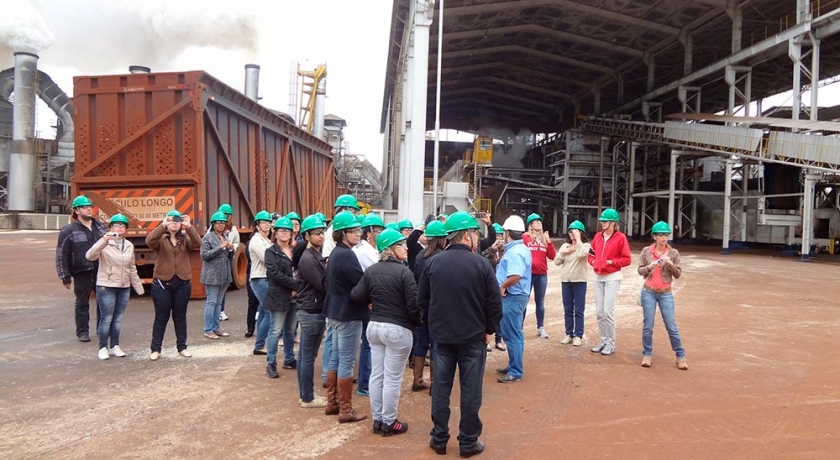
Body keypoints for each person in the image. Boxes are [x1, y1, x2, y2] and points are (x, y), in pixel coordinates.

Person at [419, 211, 503, 458]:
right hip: (473, 339)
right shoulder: (482, 264)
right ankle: (467, 442)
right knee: (470, 392)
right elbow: (494, 304)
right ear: (467, 235)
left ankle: (439, 438)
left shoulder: (432, 263)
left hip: (442, 339)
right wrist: (488, 330)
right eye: (475, 233)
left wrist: (434, 325)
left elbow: (422, 301)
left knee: (441, 390)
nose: (476, 237)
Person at [351, 228, 421, 436]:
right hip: (397, 329)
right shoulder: (404, 272)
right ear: (390, 249)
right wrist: (416, 323)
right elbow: (413, 306)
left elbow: (356, 296)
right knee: (391, 379)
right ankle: (389, 422)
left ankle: (378, 420)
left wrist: (373, 301)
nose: (406, 247)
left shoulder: (371, 271)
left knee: (377, 375)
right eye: (401, 244)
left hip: (375, 328)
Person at [323, 211, 367, 423]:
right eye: (353, 231)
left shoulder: (336, 254)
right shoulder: (347, 255)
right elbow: (361, 283)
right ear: (342, 233)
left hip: (336, 313)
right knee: (346, 362)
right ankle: (346, 410)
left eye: (358, 230)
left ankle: (332, 403)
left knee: (336, 358)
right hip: (348, 314)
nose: (358, 234)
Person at [85, 214, 144, 359]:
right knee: (106, 318)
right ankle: (102, 347)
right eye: (117, 225)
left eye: (123, 226)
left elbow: (131, 267)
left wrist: (138, 287)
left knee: (117, 318)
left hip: (123, 287)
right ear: (110, 228)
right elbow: (90, 256)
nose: (120, 228)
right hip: (106, 286)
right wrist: (103, 241)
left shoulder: (129, 245)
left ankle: (115, 346)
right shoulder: (105, 243)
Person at [146, 210, 201, 360]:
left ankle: (182, 347)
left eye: (177, 220)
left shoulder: (185, 239)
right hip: (162, 284)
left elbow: (198, 244)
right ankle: (155, 349)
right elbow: (149, 241)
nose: (174, 223)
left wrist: (189, 227)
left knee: (180, 317)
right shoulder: (160, 239)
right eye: (171, 220)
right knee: (161, 317)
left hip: (182, 283)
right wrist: (162, 225)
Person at [56, 195, 106, 342]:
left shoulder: (100, 228)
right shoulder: (68, 231)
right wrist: (64, 276)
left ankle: (102, 329)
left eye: (90, 206)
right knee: (82, 303)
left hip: (100, 270)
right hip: (81, 272)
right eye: (85, 207)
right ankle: (82, 332)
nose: (89, 209)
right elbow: (61, 255)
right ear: (77, 211)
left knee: (103, 301)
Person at [637, 221, 687, 370]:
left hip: (665, 293)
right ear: (655, 236)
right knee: (648, 326)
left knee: (671, 326)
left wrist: (670, 263)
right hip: (649, 292)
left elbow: (677, 274)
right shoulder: (647, 251)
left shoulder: (673, 253)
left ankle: (680, 356)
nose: (664, 237)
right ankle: (647, 354)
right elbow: (640, 270)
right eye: (660, 235)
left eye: (666, 234)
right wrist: (649, 267)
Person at [587, 208, 632, 356]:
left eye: (605, 221)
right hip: (598, 277)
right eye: (602, 221)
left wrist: (610, 262)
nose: (602, 223)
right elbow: (590, 255)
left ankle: (611, 343)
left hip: (612, 277)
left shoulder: (621, 238)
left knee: (607, 311)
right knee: (599, 312)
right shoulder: (597, 237)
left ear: (613, 222)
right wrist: (595, 263)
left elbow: (627, 259)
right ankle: (604, 340)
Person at [409, 220, 447, 394]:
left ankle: (417, 380)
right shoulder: (442, 257)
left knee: (421, 342)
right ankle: (434, 384)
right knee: (435, 346)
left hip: (421, 305)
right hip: (437, 307)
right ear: (441, 239)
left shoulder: (420, 256)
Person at [295, 214, 329, 407]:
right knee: (307, 357)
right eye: (317, 233)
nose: (321, 236)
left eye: (322, 232)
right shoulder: (309, 258)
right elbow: (322, 285)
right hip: (311, 311)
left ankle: (306, 395)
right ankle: (307, 397)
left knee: (306, 357)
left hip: (311, 310)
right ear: (307, 236)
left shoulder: (314, 255)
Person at [495, 215, 532, 384]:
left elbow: (515, 275)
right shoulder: (519, 249)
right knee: (515, 333)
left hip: (512, 297)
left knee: (512, 335)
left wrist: (503, 286)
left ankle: (515, 371)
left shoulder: (515, 252)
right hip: (517, 296)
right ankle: (513, 365)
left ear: (507, 232)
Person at [352, 214, 386, 397]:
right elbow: (380, 269)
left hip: (371, 300)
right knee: (368, 344)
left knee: (370, 343)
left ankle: (367, 380)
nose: (380, 234)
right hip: (369, 302)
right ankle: (364, 383)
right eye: (378, 231)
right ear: (369, 234)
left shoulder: (370, 249)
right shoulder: (364, 251)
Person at [263, 217, 300, 379]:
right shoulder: (270, 252)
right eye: (281, 230)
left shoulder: (296, 251)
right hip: (278, 296)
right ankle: (271, 363)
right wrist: (295, 285)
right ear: (275, 233)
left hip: (294, 297)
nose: (284, 233)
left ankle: (289, 359)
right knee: (275, 330)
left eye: (287, 231)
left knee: (290, 330)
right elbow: (275, 274)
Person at [555, 221, 591, 347]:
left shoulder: (585, 245)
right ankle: (569, 333)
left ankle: (578, 335)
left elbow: (582, 254)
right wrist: (562, 253)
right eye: (570, 231)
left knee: (579, 310)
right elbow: (557, 261)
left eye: (575, 231)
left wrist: (579, 241)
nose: (572, 234)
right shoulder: (565, 245)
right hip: (566, 281)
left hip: (579, 281)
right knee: (568, 309)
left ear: (581, 233)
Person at [201, 211, 234, 340]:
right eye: (218, 223)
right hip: (212, 274)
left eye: (223, 223)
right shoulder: (208, 237)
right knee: (212, 302)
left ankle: (217, 327)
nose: (221, 225)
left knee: (219, 303)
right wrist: (220, 247)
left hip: (224, 274)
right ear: (213, 224)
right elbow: (204, 255)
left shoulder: (225, 236)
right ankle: (208, 329)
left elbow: (228, 256)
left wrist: (231, 249)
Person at [525, 213, 556, 339]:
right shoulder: (525, 238)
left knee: (540, 302)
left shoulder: (545, 239)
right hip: (528, 274)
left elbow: (552, 256)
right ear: (531, 225)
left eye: (539, 221)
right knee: (524, 301)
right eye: (535, 221)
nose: (538, 223)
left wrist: (549, 242)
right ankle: (519, 327)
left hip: (541, 275)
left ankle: (540, 327)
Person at [250, 211, 275, 355]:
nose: (266, 224)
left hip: (265, 278)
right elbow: (268, 258)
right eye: (263, 222)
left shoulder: (266, 240)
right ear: (257, 225)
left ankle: (260, 344)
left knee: (264, 312)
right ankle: (260, 345)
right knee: (269, 312)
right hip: (260, 278)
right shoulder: (256, 240)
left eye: (268, 222)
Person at [480, 223, 507, 352]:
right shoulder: (487, 250)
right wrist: (493, 250)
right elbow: (484, 262)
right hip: (488, 285)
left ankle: (499, 339)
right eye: (497, 236)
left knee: (500, 312)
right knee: (488, 312)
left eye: (501, 235)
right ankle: (488, 338)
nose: (499, 238)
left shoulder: (506, 251)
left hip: (502, 285)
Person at [217, 204, 239, 322]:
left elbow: (237, 242)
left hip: (228, 259)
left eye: (227, 215)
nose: (224, 217)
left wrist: (232, 247)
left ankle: (221, 310)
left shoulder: (233, 230)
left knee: (224, 284)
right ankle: (216, 310)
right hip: (216, 260)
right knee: (216, 286)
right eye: (223, 214)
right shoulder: (212, 229)